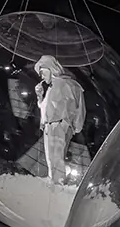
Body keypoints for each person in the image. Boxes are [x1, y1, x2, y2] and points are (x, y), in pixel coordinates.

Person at [34, 55, 86, 185]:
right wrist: (40, 97)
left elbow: (79, 107)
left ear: (51, 68)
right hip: (50, 126)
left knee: (56, 158)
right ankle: (54, 182)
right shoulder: (52, 87)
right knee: (51, 159)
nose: (41, 76)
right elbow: (46, 109)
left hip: (59, 125)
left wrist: (76, 126)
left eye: (42, 71)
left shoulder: (68, 84)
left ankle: (58, 183)